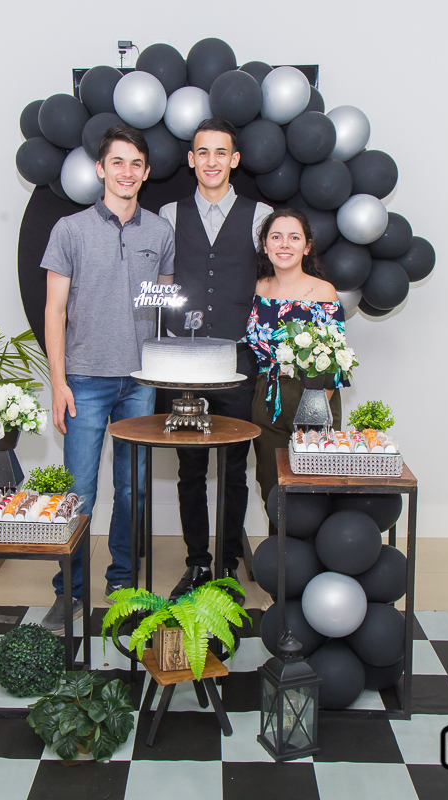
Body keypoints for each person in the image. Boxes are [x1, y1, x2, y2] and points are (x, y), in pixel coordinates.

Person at [40, 125, 175, 631]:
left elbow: (163, 309)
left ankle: (122, 583)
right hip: (85, 381)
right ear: (100, 169)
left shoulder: (160, 232)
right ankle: (70, 593)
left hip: (140, 382)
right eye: (117, 162)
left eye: (136, 163)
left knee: (133, 490)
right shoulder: (70, 230)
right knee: (78, 492)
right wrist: (58, 382)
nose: (127, 172)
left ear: (146, 172)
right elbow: (54, 312)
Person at [158, 118, 272, 601]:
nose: (211, 161)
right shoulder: (169, 213)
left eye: (220, 152)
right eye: (202, 152)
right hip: (183, 362)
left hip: (237, 360)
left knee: (233, 465)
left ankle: (226, 564)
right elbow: (160, 280)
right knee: (189, 467)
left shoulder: (260, 215)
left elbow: (271, 280)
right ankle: (197, 563)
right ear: (191, 159)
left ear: (234, 160)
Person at [248, 209, 346, 529]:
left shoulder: (323, 292)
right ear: (265, 245)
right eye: (276, 237)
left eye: (294, 237)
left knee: (312, 489)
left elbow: (336, 358)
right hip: (267, 396)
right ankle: (279, 558)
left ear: (307, 247)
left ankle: (315, 556)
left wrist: (315, 409)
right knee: (272, 486)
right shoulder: (258, 288)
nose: (284, 244)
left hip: (313, 395)